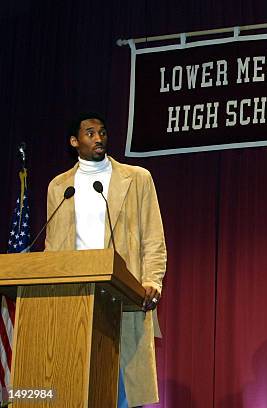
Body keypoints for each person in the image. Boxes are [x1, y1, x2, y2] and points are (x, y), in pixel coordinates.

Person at [45, 112, 166, 407]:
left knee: (122, 389)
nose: (98, 138)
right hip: (73, 297)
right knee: (73, 382)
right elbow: (51, 246)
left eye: (102, 132)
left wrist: (152, 281)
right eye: (89, 133)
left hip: (120, 294)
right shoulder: (59, 187)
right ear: (74, 141)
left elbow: (153, 237)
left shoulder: (136, 178)